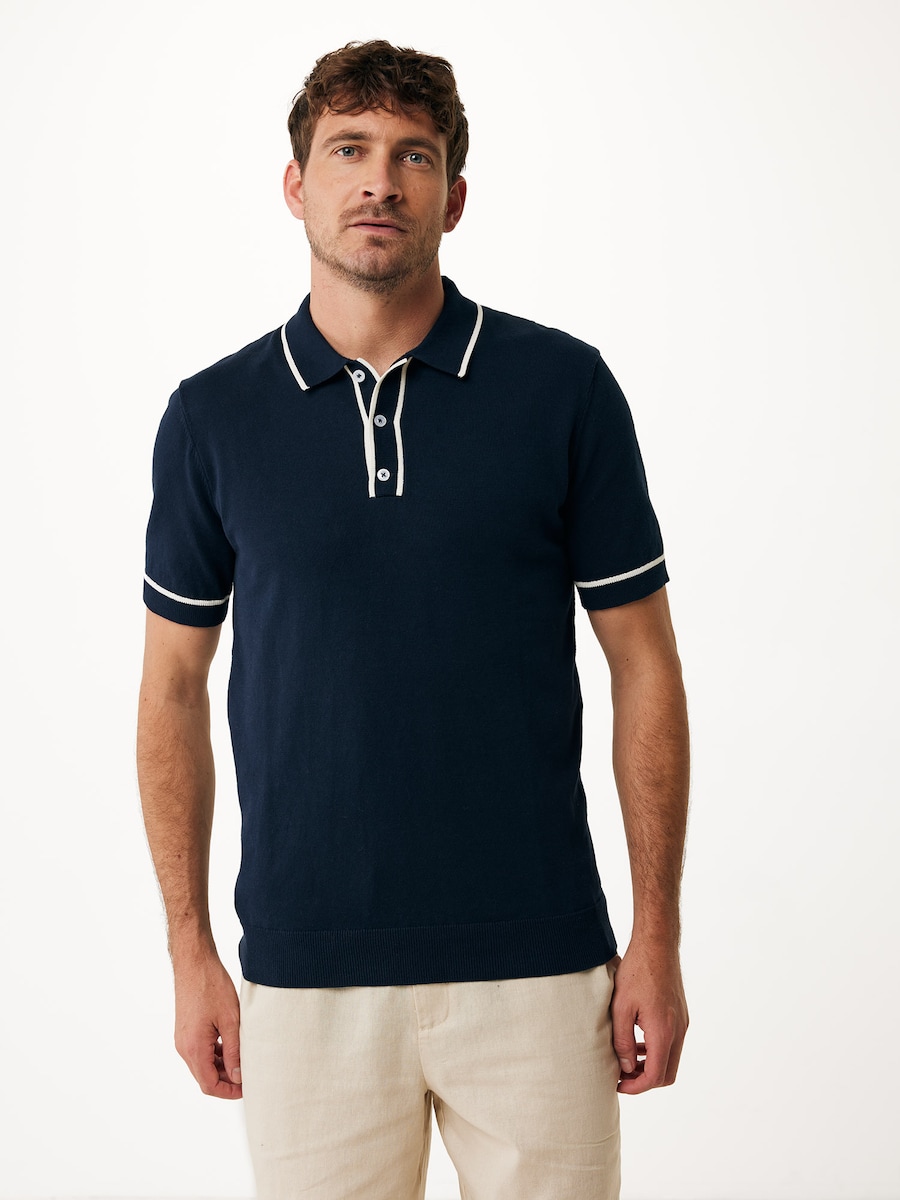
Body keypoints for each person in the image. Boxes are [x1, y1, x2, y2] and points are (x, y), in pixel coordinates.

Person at [137, 39, 689, 1200]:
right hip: (305, 978)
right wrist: (190, 950)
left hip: (540, 969)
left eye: (413, 156)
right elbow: (171, 690)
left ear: (455, 196)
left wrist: (657, 936)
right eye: (349, 151)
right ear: (296, 185)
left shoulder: (564, 391)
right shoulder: (212, 418)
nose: (379, 182)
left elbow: (643, 661)